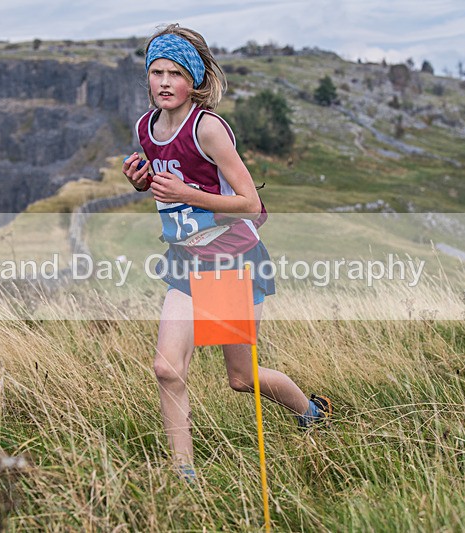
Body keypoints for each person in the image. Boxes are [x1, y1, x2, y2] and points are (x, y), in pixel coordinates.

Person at [122, 24, 331, 481]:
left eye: (175, 73)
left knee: (241, 379)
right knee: (165, 367)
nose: (163, 82)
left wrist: (186, 192)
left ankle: (312, 413)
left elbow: (250, 204)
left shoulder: (209, 128)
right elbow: (169, 189)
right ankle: (184, 474)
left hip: (231, 258)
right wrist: (143, 182)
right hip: (185, 258)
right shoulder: (147, 127)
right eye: (156, 72)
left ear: (193, 80)